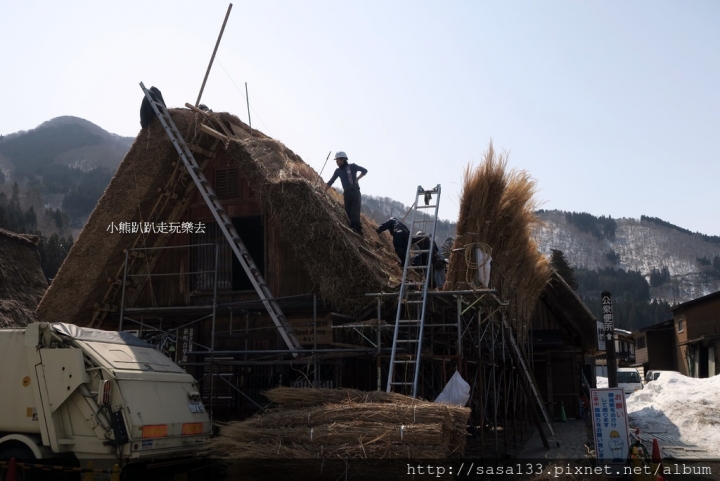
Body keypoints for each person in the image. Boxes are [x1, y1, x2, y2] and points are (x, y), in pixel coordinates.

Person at [325, 151, 367, 235]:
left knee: (354, 211)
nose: (336, 162)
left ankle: (357, 229)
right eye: (336, 160)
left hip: (355, 192)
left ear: (343, 159)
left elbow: (365, 170)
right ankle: (351, 229)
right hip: (347, 193)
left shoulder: (353, 166)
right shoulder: (338, 171)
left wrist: (358, 178)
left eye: (337, 160)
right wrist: (323, 190)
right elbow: (331, 181)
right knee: (347, 212)